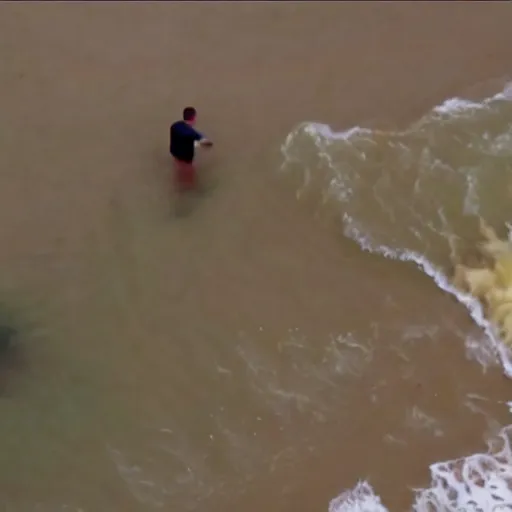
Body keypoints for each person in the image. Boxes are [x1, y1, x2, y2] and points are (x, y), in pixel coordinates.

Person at [169, 107, 213, 192]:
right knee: (190, 180)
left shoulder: (175, 126)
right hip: (186, 160)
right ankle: (190, 191)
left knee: (178, 172)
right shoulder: (192, 134)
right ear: (193, 118)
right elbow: (206, 142)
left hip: (175, 155)